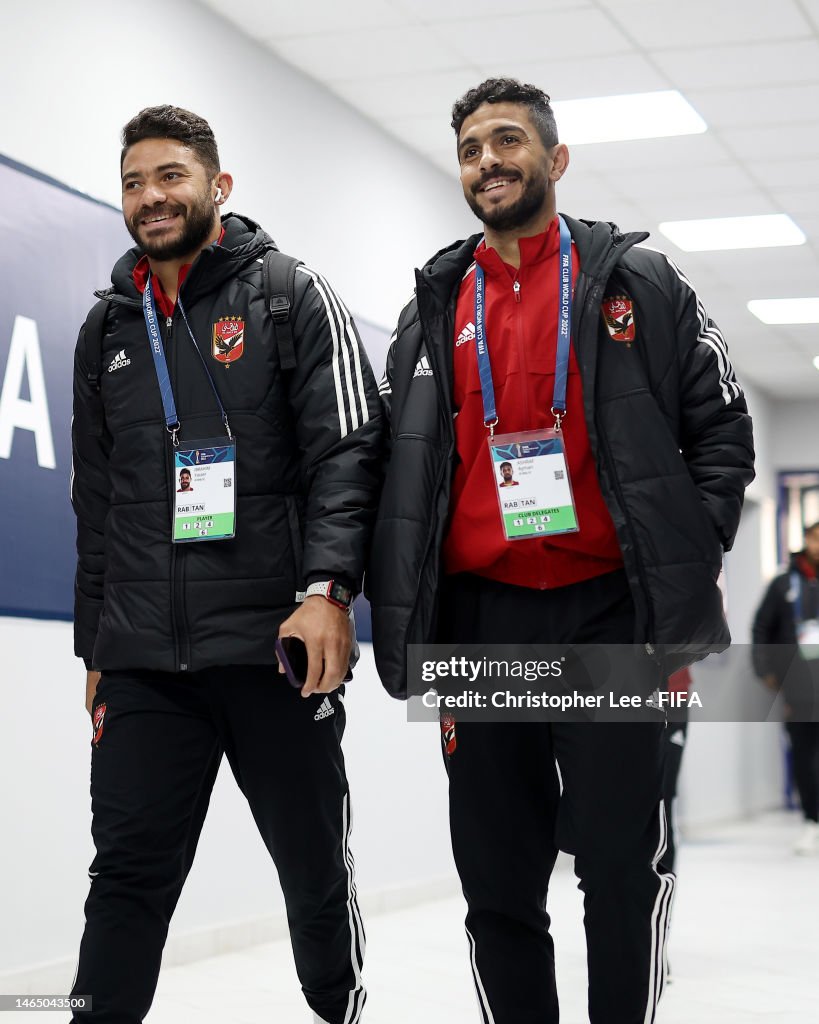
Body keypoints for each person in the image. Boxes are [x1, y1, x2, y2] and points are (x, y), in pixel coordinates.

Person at [369, 78, 754, 1023]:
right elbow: (396, 469)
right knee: (498, 878)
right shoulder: (430, 309)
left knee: (619, 866)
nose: (488, 162)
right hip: (481, 623)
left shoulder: (640, 284)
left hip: (606, 616)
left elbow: (722, 433)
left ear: (555, 157)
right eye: (470, 148)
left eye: (507, 141)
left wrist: (673, 560)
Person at [70, 105, 382, 1024]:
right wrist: (96, 647)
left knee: (311, 865)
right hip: (143, 666)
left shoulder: (286, 294)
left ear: (218, 185)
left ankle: (338, 1008)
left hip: (270, 653)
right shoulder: (108, 329)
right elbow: (98, 503)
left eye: (169, 176)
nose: (150, 198)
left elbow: (347, 457)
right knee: (125, 873)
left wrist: (327, 592)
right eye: (133, 182)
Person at [752, 520, 819, 855]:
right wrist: (765, 670)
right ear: (806, 540)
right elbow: (762, 628)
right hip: (801, 687)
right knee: (805, 755)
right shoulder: (783, 584)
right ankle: (812, 822)